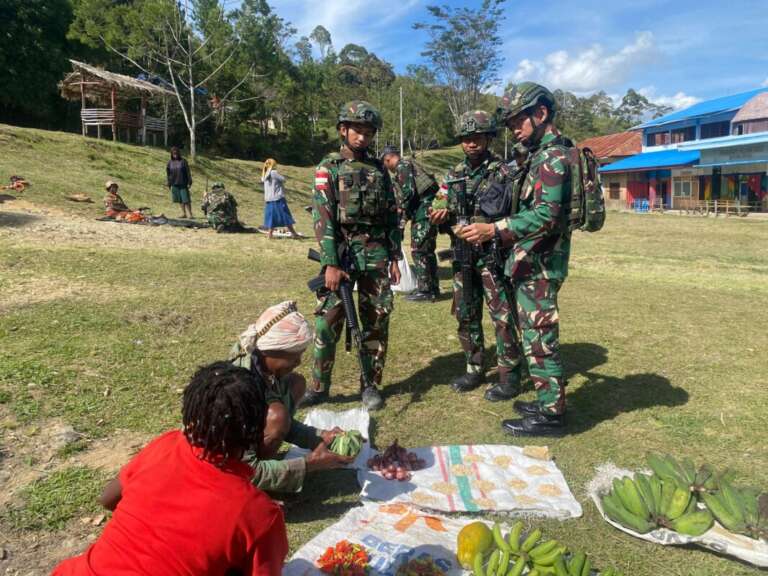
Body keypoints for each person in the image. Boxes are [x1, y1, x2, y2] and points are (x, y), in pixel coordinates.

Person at [52, 362, 288, 575]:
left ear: (191, 413)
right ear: (257, 428)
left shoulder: (166, 445)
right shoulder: (257, 515)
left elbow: (108, 499)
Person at [458, 82, 575, 437]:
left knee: (539, 338)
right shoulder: (540, 155)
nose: (513, 130)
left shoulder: (553, 157)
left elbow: (546, 215)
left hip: (541, 262)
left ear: (540, 114)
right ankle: (546, 401)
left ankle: (552, 415)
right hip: (531, 260)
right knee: (532, 337)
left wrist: (495, 229)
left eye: (517, 122)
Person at [303, 100, 402, 411]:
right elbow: (324, 217)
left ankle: (370, 385)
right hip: (342, 255)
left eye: (368, 132)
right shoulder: (327, 169)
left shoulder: (380, 172)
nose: (363, 137)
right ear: (343, 130)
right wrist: (330, 262)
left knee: (376, 322)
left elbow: (391, 216)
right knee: (326, 322)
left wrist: (395, 256)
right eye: (357, 130)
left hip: (376, 256)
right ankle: (319, 386)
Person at [429, 111, 520, 398]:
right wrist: (438, 213)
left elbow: (515, 214)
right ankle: (474, 368)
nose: (471, 144)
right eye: (466, 139)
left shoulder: (504, 172)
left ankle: (509, 375)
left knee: (502, 317)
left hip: (493, 257)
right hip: (463, 255)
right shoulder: (454, 173)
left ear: (488, 138)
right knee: (466, 314)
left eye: (477, 138)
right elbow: (438, 203)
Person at [229, 301, 353, 493]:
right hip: (227, 471)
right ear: (271, 349)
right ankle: (252, 493)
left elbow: (286, 425)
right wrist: (311, 464)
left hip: (245, 452)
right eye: (294, 355)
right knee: (277, 416)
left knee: (296, 383)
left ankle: (267, 465)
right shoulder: (239, 392)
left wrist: (319, 437)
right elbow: (247, 470)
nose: (298, 361)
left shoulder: (262, 368)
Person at [380, 146, 440, 302]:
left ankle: (425, 290)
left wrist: (400, 211)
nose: (387, 169)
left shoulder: (402, 166)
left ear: (388, 159)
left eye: (385, 164)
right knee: (427, 250)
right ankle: (433, 288)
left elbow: (408, 193)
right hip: (427, 211)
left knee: (419, 249)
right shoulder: (409, 164)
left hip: (424, 212)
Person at [261, 159, 302, 239]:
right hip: (278, 198)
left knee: (271, 217)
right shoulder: (274, 173)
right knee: (285, 216)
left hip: (269, 199)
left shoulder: (265, 174)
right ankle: (293, 234)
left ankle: (270, 234)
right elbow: (283, 179)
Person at [166, 146, 193, 218]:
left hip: (183, 183)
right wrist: (169, 183)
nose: (175, 154)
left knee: (186, 199)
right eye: (173, 153)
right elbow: (168, 174)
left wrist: (189, 181)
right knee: (179, 199)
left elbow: (188, 172)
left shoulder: (183, 161)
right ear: (171, 154)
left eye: (176, 153)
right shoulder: (169, 163)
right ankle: (184, 214)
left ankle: (190, 214)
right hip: (174, 183)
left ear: (178, 153)